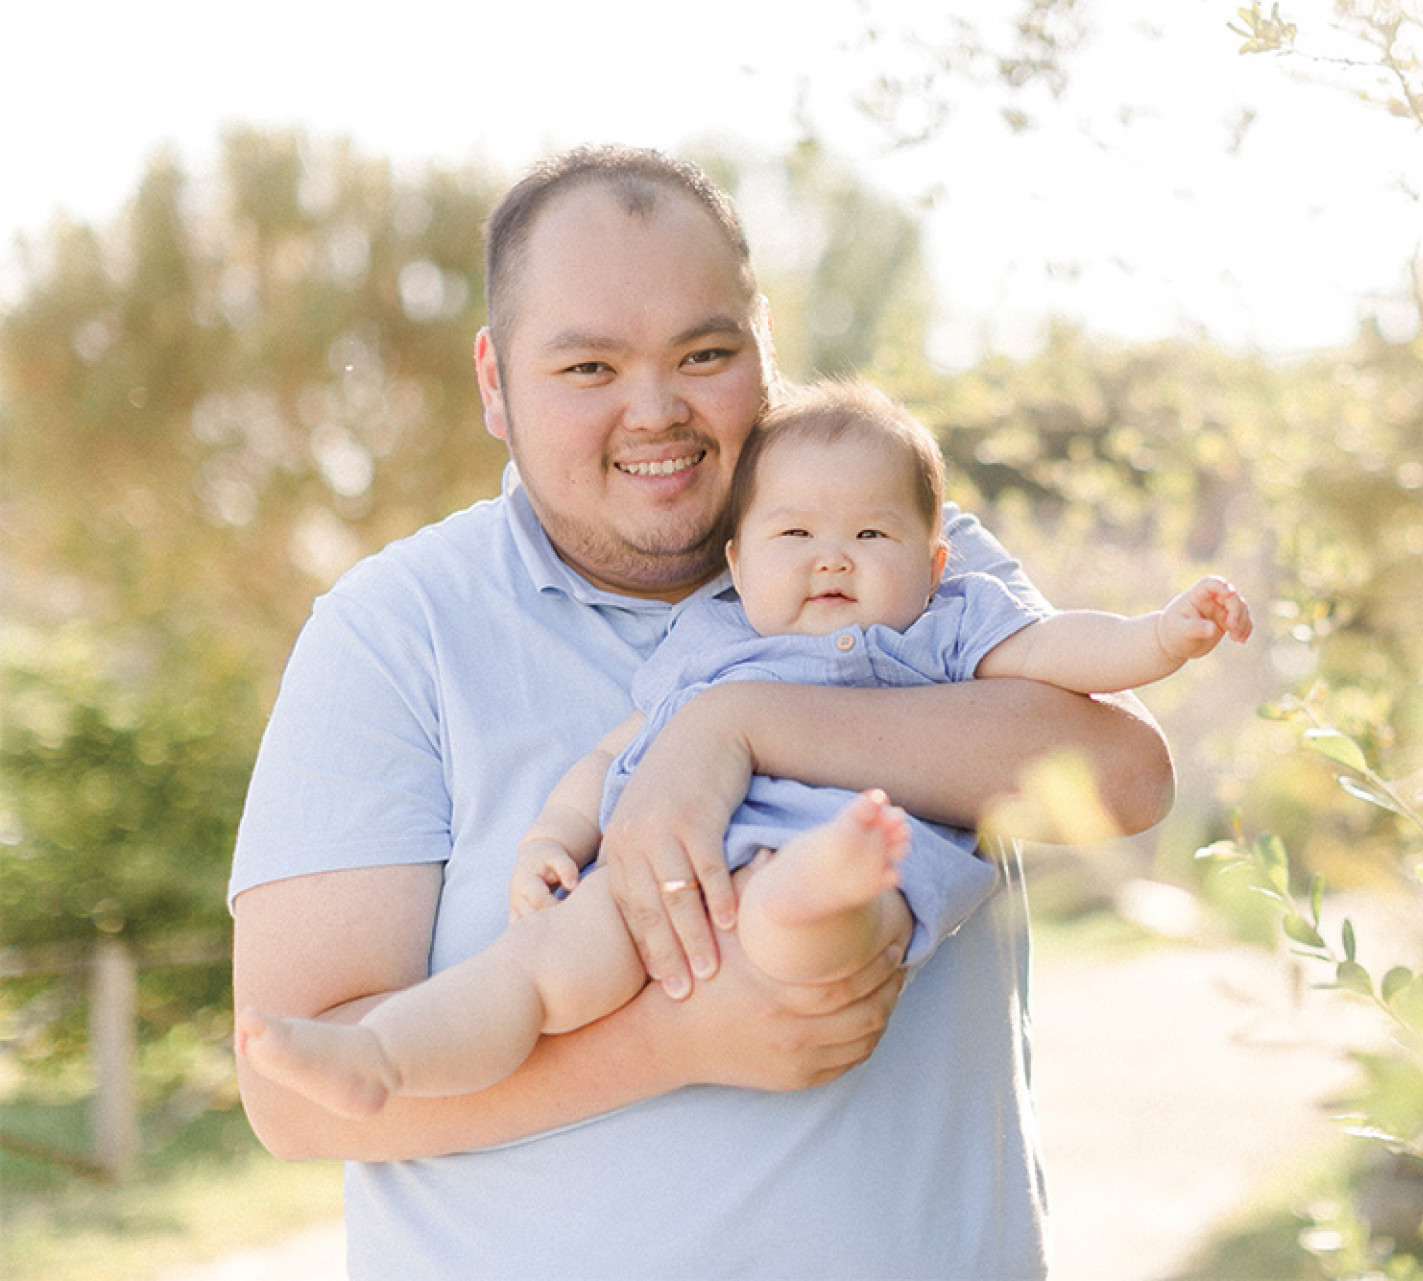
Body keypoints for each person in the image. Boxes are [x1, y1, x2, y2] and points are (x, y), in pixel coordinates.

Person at [228, 146, 1178, 1279]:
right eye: (588, 366)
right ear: (495, 381)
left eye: (706, 353)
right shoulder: (396, 631)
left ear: (764, 349)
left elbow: (1122, 774)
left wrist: (735, 730)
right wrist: (673, 1041)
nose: (656, 413)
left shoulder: (885, 543)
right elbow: (296, 1107)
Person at [235, 379, 1251, 1121]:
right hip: (653, 886)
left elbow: (1063, 652)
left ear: (933, 557)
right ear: (736, 560)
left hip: (838, 866)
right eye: (796, 536)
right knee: (537, 975)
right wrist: (555, 834)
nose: (832, 558)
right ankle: (382, 1058)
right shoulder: (711, 637)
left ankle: (823, 880)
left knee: (802, 923)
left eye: (870, 538)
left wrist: (1162, 634)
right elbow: (614, 752)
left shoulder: (941, 620)